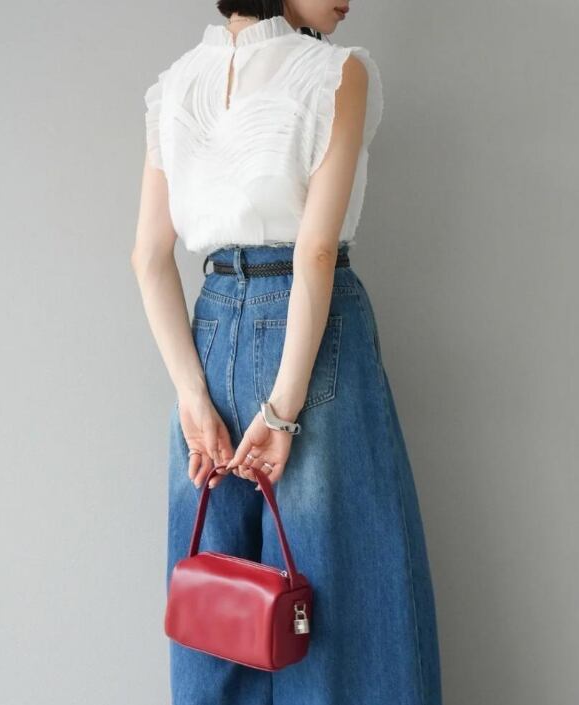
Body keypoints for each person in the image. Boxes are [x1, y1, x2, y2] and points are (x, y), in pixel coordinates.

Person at [131, 2, 442, 703]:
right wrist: (282, 408)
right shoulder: (336, 73)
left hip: (208, 333)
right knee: (341, 591)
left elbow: (149, 257)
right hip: (311, 333)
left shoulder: (173, 86)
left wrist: (192, 396)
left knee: (218, 603)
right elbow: (315, 251)